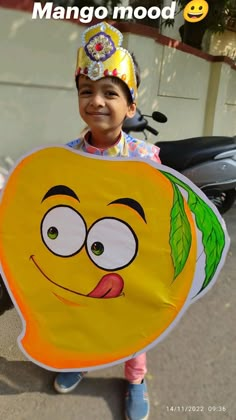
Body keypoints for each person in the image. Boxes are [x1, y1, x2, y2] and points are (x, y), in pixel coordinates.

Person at [53, 21, 161, 420]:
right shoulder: (64, 157)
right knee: (83, 314)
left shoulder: (147, 159)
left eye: (110, 92)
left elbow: (161, 216)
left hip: (132, 264)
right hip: (81, 258)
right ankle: (80, 360)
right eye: (86, 92)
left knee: (132, 325)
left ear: (131, 106)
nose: (96, 101)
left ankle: (135, 378)